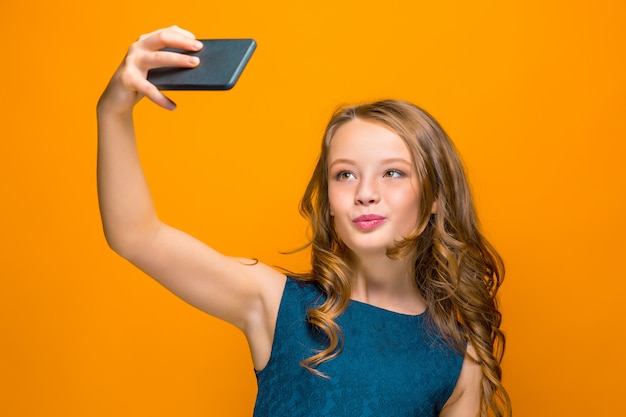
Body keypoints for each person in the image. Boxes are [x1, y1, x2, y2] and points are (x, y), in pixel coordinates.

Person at [97, 26, 511, 417]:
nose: (365, 192)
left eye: (393, 172)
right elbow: (136, 235)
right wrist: (113, 110)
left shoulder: (459, 359)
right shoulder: (275, 303)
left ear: (436, 196)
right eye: (345, 174)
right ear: (329, 201)